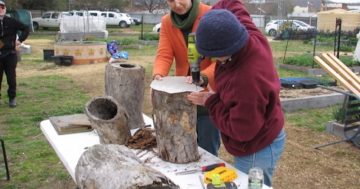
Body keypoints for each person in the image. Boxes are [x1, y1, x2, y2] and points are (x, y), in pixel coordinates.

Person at [186, 4, 286, 187]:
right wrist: (212, 19)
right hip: (265, 123)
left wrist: (212, 102)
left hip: (257, 146)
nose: (213, 60)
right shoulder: (245, 33)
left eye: (214, 56)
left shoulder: (246, 80)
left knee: (252, 185)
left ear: (225, 51)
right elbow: (230, 3)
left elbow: (242, 130)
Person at [152, 0, 220, 156]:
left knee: (208, 149)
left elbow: (221, 60)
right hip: (182, 96)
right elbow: (164, 54)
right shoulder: (167, 21)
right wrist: (158, 74)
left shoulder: (211, 15)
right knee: (182, 145)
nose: (176, 4)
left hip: (208, 93)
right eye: (170, 0)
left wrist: (204, 76)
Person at [0, 0, 29, 107]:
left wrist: (20, 40)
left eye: (2, 7)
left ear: (5, 9)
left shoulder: (11, 21)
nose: (0, 9)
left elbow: (26, 28)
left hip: (10, 54)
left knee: (11, 78)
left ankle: (12, 98)